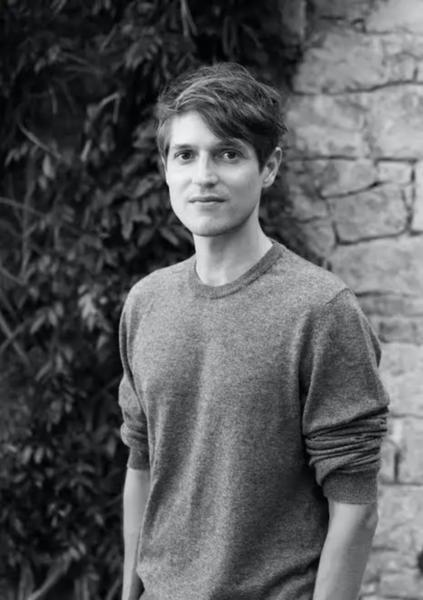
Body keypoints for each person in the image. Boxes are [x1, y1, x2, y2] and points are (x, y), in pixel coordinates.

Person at [118, 62, 389, 600]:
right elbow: (142, 464)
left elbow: (355, 508)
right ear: (165, 168)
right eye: (186, 155)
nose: (203, 176)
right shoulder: (146, 302)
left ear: (269, 168)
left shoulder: (320, 309)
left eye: (228, 154)